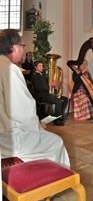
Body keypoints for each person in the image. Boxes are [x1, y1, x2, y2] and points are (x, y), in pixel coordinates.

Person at [0, 29, 70, 168]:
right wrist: (38, 126)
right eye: (23, 46)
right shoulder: (10, 69)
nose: (23, 50)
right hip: (8, 138)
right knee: (55, 142)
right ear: (14, 48)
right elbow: (22, 110)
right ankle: (50, 181)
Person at [31, 61, 68, 126]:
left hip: (47, 94)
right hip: (41, 95)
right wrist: (50, 84)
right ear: (35, 67)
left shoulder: (42, 75)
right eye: (40, 65)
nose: (42, 67)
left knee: (65, 99)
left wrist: (54, 86)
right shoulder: (34, 76)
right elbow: (39, 87)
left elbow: (47, 85)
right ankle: (57, 120)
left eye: (42, 65)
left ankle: (57, 115)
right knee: (58, 101)